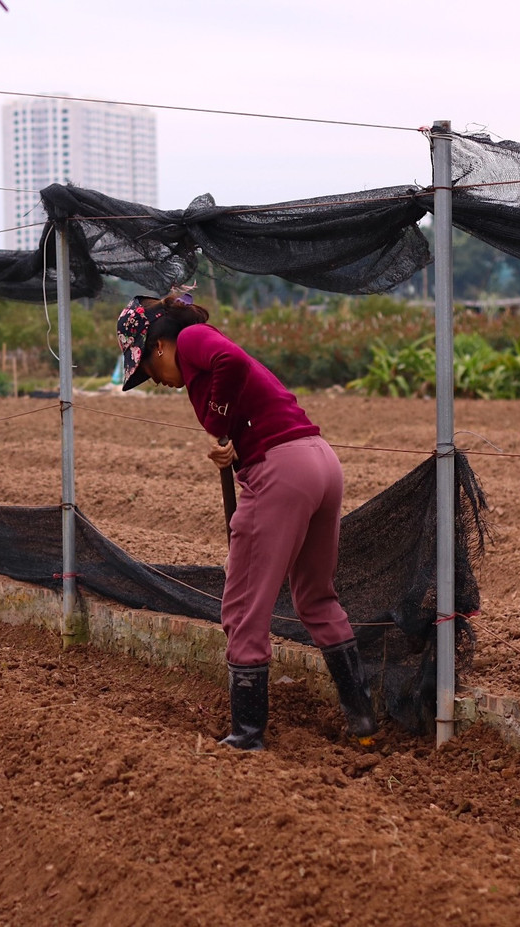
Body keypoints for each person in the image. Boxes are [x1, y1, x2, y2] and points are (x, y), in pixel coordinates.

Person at [117, 293, 377, 750]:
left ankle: (248, 734)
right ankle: (363, 723)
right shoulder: (198, 361)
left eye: (146, 370)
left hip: (281, 472)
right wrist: (231, 433)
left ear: (158, 345)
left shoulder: (194, 338)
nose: (153, 380)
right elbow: (245, 394)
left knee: (242, 609)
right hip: (320, 462)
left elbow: (231, 363)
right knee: (316, 599)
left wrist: (220, 425)